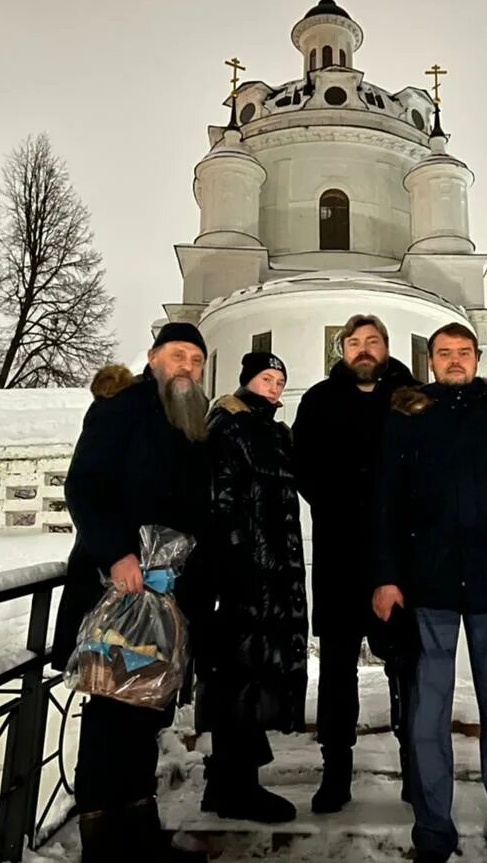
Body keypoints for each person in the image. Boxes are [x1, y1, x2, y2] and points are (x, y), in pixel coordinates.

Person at [373, 323, 487, 863]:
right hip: (425, 584)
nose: (454, 361)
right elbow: (384, 503)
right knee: (427, 713)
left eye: (464, 353)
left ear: (478, 358)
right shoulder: (407, 421)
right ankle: (433, 830)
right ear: (430, 360)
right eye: (444, 353)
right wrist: (386, 577)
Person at [50, 323, 211, 863]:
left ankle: (141, 834)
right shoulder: (122, 407)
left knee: (147, 715)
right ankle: (104, 842)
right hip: (118, 591)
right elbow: (85, 486)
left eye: (195, 358)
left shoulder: (191, 423)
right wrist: (117, 553)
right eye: (177, 355)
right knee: (111, 714)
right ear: (153, 358)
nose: (186, 365)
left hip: (166, 598)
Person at [291, 314, 420, 812]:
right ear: (341, 351)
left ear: (386, 347)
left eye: (372, 341)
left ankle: (415, 764)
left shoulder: (411, 398)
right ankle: (336, 770)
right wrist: (336, 501)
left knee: (405, 665)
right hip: (341, 552)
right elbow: (303, 464)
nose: (363, 350)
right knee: (338, 668)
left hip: (399, 554)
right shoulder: (320, 400)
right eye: (353, 343)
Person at [194, 351, 309, 825]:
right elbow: (221, 499)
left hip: (273, 573)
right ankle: (235, 785)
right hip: (245, 575)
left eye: (280, 380)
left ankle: (229, 781)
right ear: (246, 381)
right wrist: (237, 563)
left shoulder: (274, 432)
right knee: (238, 675)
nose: (274, 387)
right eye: (266, 378)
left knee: (253, 674)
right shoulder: (230, 426)